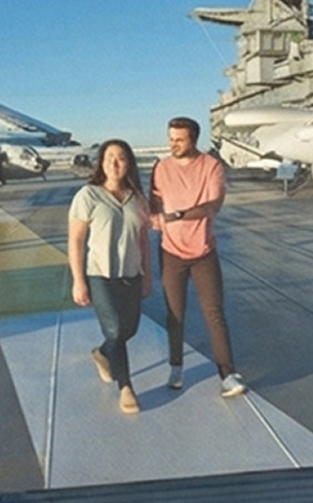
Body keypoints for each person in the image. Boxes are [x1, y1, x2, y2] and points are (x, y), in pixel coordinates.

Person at [151, 116, 246, 397]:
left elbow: (211, 206)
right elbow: (154, 202)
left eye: (179, 140)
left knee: (214, 312)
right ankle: (176, 366)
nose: (173, 145)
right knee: (174, 315)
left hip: (204, 251)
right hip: (171, 252)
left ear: (193, 139)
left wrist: (177, 214)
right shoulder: (162, 167)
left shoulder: (211, 167)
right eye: (170, 139)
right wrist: (155, 218)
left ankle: (228, 374)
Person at [68, 139, 153, 414]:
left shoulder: (137, 198)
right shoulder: (88, 195)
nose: (114, 164)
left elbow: (143, 241)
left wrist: (148, 276)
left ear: (129, 163)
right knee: (115, 329)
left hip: (131, 275)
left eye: (121, 158)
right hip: (100, 276)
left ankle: (103, 353)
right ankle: (126, 387)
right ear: (101, 163)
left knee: (128, 330)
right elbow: (76, 240)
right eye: (109, 158)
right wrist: (78, 280)